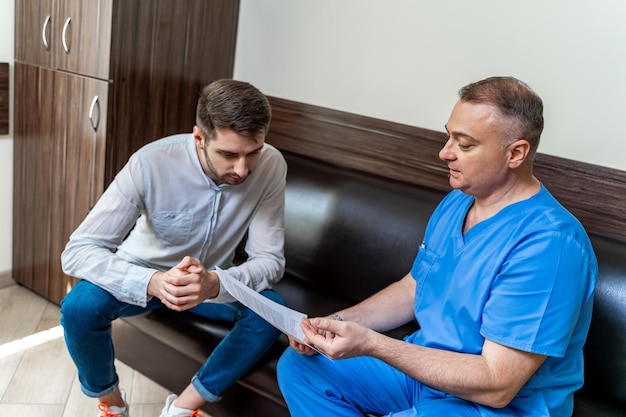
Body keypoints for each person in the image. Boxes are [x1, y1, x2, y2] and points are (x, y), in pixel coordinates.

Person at [277, 76, 597, 417]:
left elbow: (497, 384)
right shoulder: (458, 201)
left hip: (492, 406)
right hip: (427, 373)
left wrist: (371, 343)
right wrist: (335, 322)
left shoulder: (550, 245)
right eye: (449, 136)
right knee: (302, 366)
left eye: (465, 144)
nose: (445, 153)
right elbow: (415, 287)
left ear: (515, 153)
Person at [60, 79, 287, 417]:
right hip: (141, 280)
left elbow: (270, 260)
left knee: (272, 311)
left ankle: (182, 409)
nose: (243, 169)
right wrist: (152, 281)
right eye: (228, 154)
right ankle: (112, 406)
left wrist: (214, 283)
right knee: (79, 306)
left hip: (210, 289)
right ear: (199, 137)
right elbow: (78, 251)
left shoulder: (271, 166)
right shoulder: (150, 163)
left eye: (252, 152)